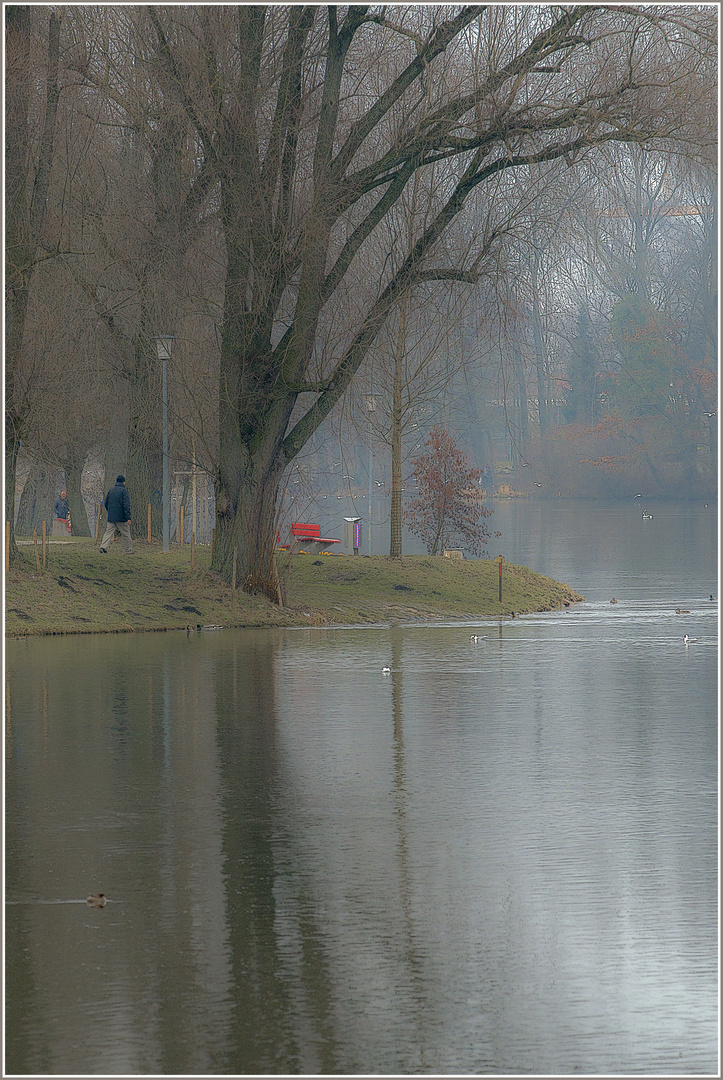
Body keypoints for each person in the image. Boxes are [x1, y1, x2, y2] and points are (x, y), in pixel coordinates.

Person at [99, 475, 133, 554]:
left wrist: (110, 511)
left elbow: (106, 503)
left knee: (108, 532)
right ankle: (128, 550)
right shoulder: (124, 491)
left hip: (111, 517)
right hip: (121, 517)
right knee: (125, 534)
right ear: (123, 482)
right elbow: (126, 505)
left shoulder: (111, 490)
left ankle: (103, 547)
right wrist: (128, 517)